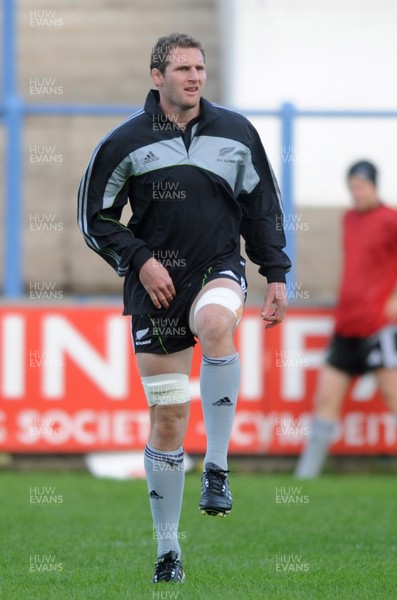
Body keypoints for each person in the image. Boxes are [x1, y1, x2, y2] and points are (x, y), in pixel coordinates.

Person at [78, 32, 290, 583]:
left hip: (217, 268)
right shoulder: (123, 142)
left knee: (218, 322)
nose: (194, 77)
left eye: (199, 68)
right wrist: (141, 260)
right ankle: (168, 551)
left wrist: (276, 273)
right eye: (181, 69)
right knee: (168, 418)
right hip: (154, 291)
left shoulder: (237, 133)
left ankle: (216, 467)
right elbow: (94, 220)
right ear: (157, 77)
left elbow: (262, 206)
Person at [295, 160, 397, 479]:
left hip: (378, 326)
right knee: (325, 397)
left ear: (374, 185)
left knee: (393, 397)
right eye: (353, 186)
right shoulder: (349, 218)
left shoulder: (390, 219)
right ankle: (306, 478)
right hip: (346, 325)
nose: (357, 192)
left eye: (362, 186)